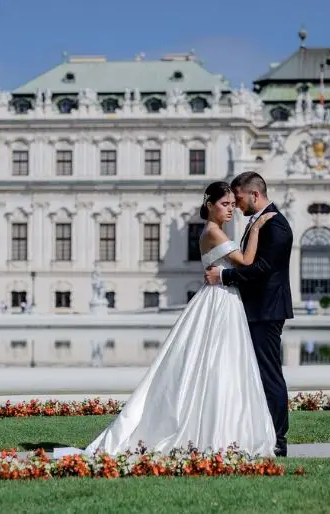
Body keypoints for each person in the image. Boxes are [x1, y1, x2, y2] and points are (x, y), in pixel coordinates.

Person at [82, 181, 277, 457]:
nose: (231, 209)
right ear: (210, 205)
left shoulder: (215, 231)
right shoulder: (213, 232)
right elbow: (246, 261)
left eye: (233, 204)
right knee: (220, 362)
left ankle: (219, 425)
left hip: (223, 298)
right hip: (220, 300)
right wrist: (256, 228)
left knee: (220, 363)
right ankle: (218, 428)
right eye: (225, 204)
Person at [205, 171, 294, 457]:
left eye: (239, 199)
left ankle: (278, 439)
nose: (237, 205)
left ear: (254, 195)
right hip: (254, 309)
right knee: (255, 373)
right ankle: (260, 431)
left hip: (266, 310)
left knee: (269, 374)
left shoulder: (276, 225)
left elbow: (261, 269)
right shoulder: (259, 222)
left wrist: (224, 276)